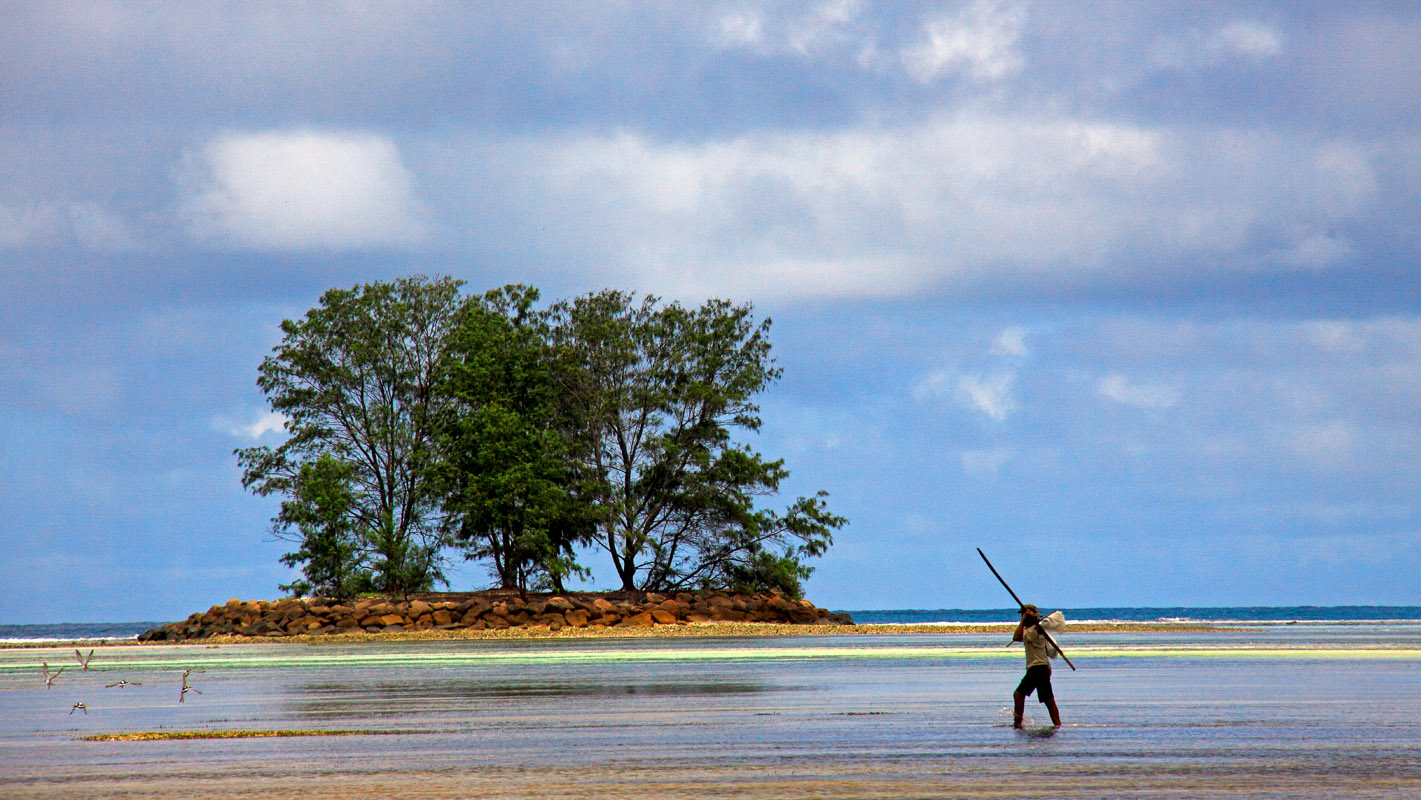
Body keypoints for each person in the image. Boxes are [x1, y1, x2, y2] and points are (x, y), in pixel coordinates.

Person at [1012, 603, 1063, 728]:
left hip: (1037, 668)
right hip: (1041, 668)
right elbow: (1017, 637)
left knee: (1018, 694)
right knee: (1048, 700)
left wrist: (1025, 619)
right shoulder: (1030, 630)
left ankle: (1017, 725)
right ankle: (1058, 725)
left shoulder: (1037, 630)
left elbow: (1018, 636)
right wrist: (1024, 620)